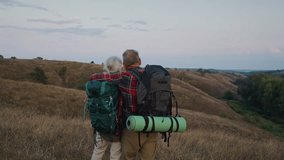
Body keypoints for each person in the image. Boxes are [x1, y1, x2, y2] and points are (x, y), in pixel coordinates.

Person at [119, 49, 158, 160]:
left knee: (128, 157)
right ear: (139, 61)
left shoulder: (126, 77)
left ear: (124, 64)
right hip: (152, 125)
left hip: (133, 126)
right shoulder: (151, 75)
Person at [88, 56, 123, 160]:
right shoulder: (120, 80)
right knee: (115, 155)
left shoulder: (94, 77)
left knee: (98, 151)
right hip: (116, 125)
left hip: (100, 122)